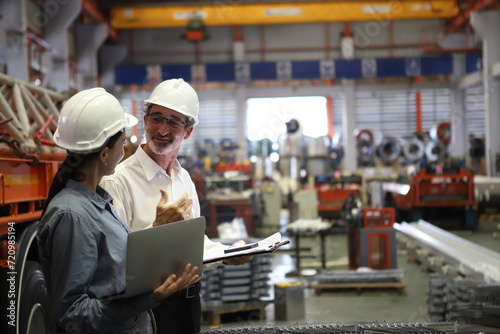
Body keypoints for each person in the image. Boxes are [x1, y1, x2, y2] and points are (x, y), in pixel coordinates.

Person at [37, 87, 199, 333]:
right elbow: (73, 313)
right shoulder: (73, 215)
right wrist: (149, 298)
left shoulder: (97, 203)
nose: (125, 151)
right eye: (123, 144)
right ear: (104, 154)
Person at [100, 78, 251, 334]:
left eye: (173, 121)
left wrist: (227, 255)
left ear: (188, 131)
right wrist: (158, 228)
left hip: (187, 302)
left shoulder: (184, 180)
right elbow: (113, 260)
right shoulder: (117, 181)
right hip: (144, 308)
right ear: (145, 121)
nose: (162, 129)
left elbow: (192, 244)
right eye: (156, 118)